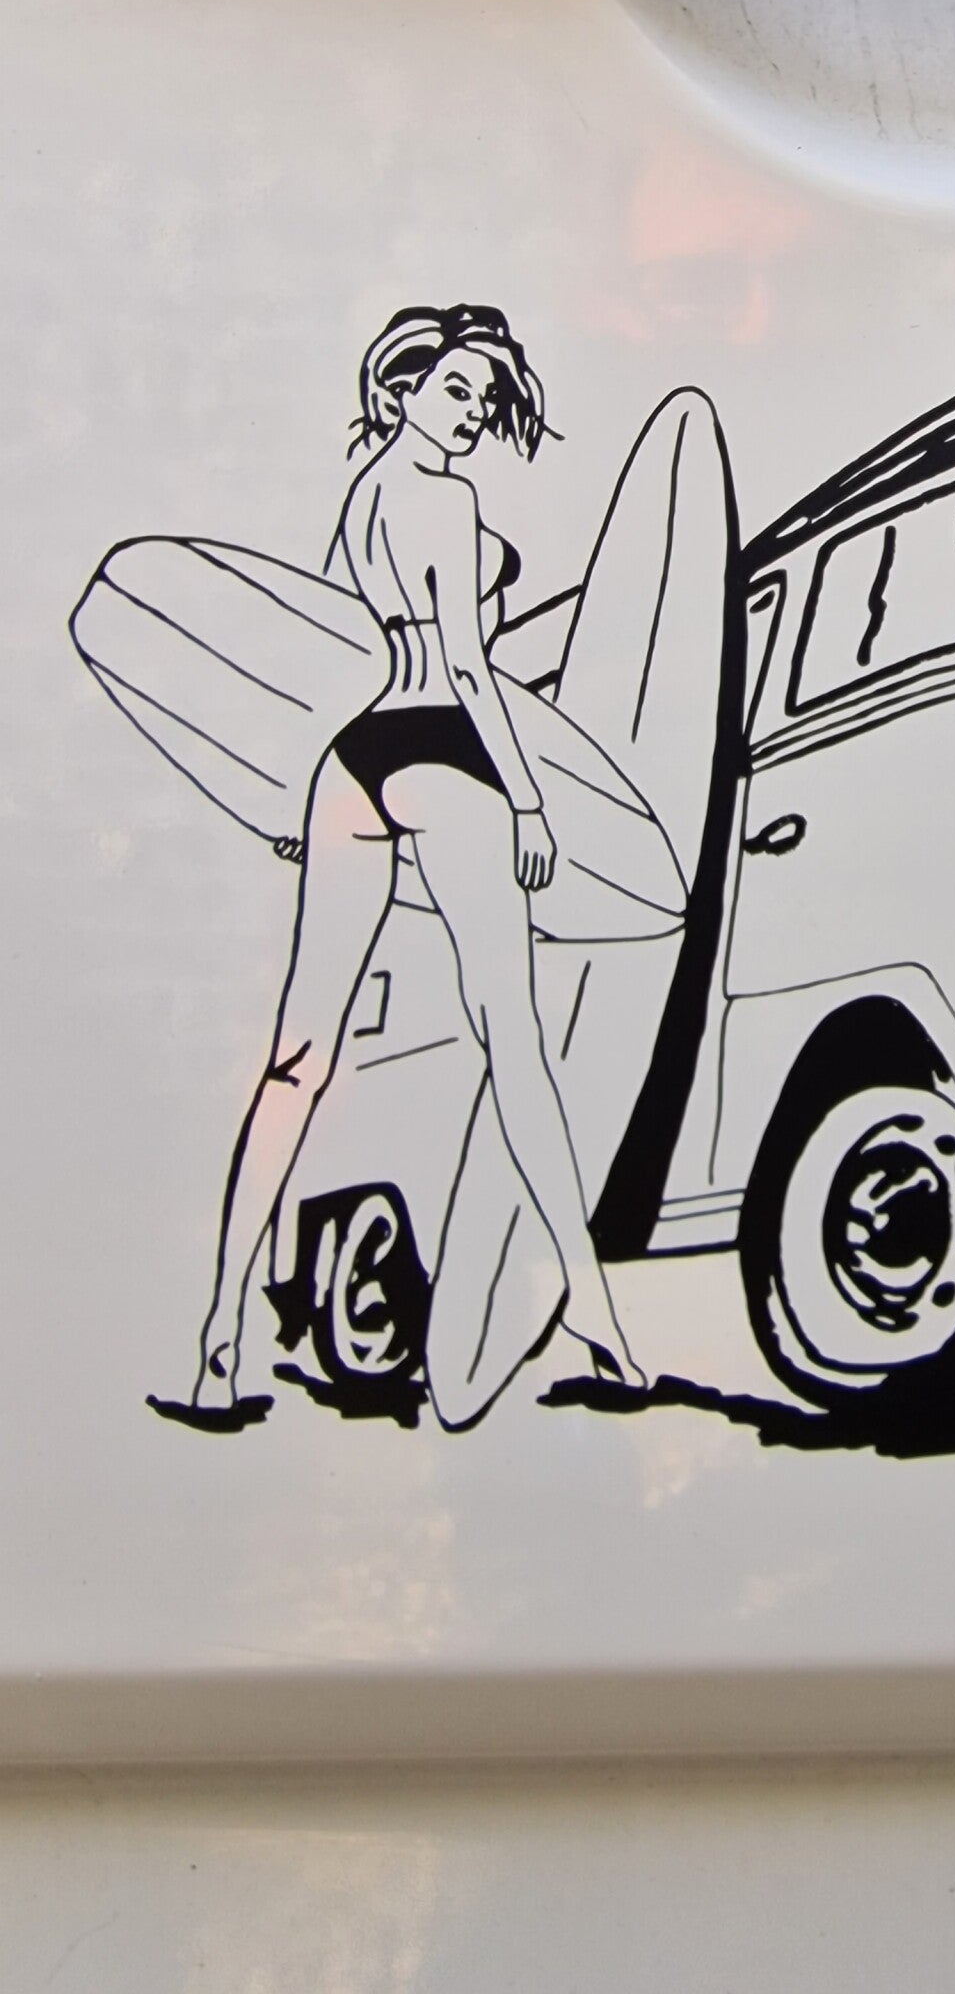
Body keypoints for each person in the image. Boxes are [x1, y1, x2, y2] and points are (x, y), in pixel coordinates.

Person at [181, 304, 647, 1420]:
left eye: (484, 400)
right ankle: (596, 1314)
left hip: (352, 761)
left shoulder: (362, 497)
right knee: (515, 1043)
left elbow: (327, 651)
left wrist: (286, 796)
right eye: (455, 391)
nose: (473, 415)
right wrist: (528, 797)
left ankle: (219, 1334)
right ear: (401, 390)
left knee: (299, 1055)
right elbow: (472, 670)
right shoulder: (445, 500)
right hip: (442, 751)